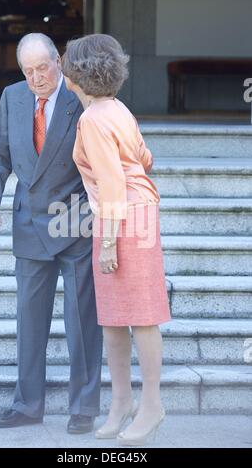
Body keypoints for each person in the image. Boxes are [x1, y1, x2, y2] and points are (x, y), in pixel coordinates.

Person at [0, 33, 102, 434]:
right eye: (28, 71)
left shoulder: (79, 98)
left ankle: (83, 406)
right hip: (29, 220)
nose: (36, 78)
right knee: (30, 320)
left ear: (58, 62)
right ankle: (28, 404)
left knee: (81, 321)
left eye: (42, 68)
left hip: (73, 220)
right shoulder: (12, 98)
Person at [62, 33, 171, 446]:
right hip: (123, 215)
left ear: (78, 74)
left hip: (122, 220)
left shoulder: (92, 119)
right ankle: (122, 402)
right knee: (112, 319)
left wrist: (108, 244)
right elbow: (145, 159)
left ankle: (152, 405)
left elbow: (110, 185)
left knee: (140, 316)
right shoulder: (116, 108)